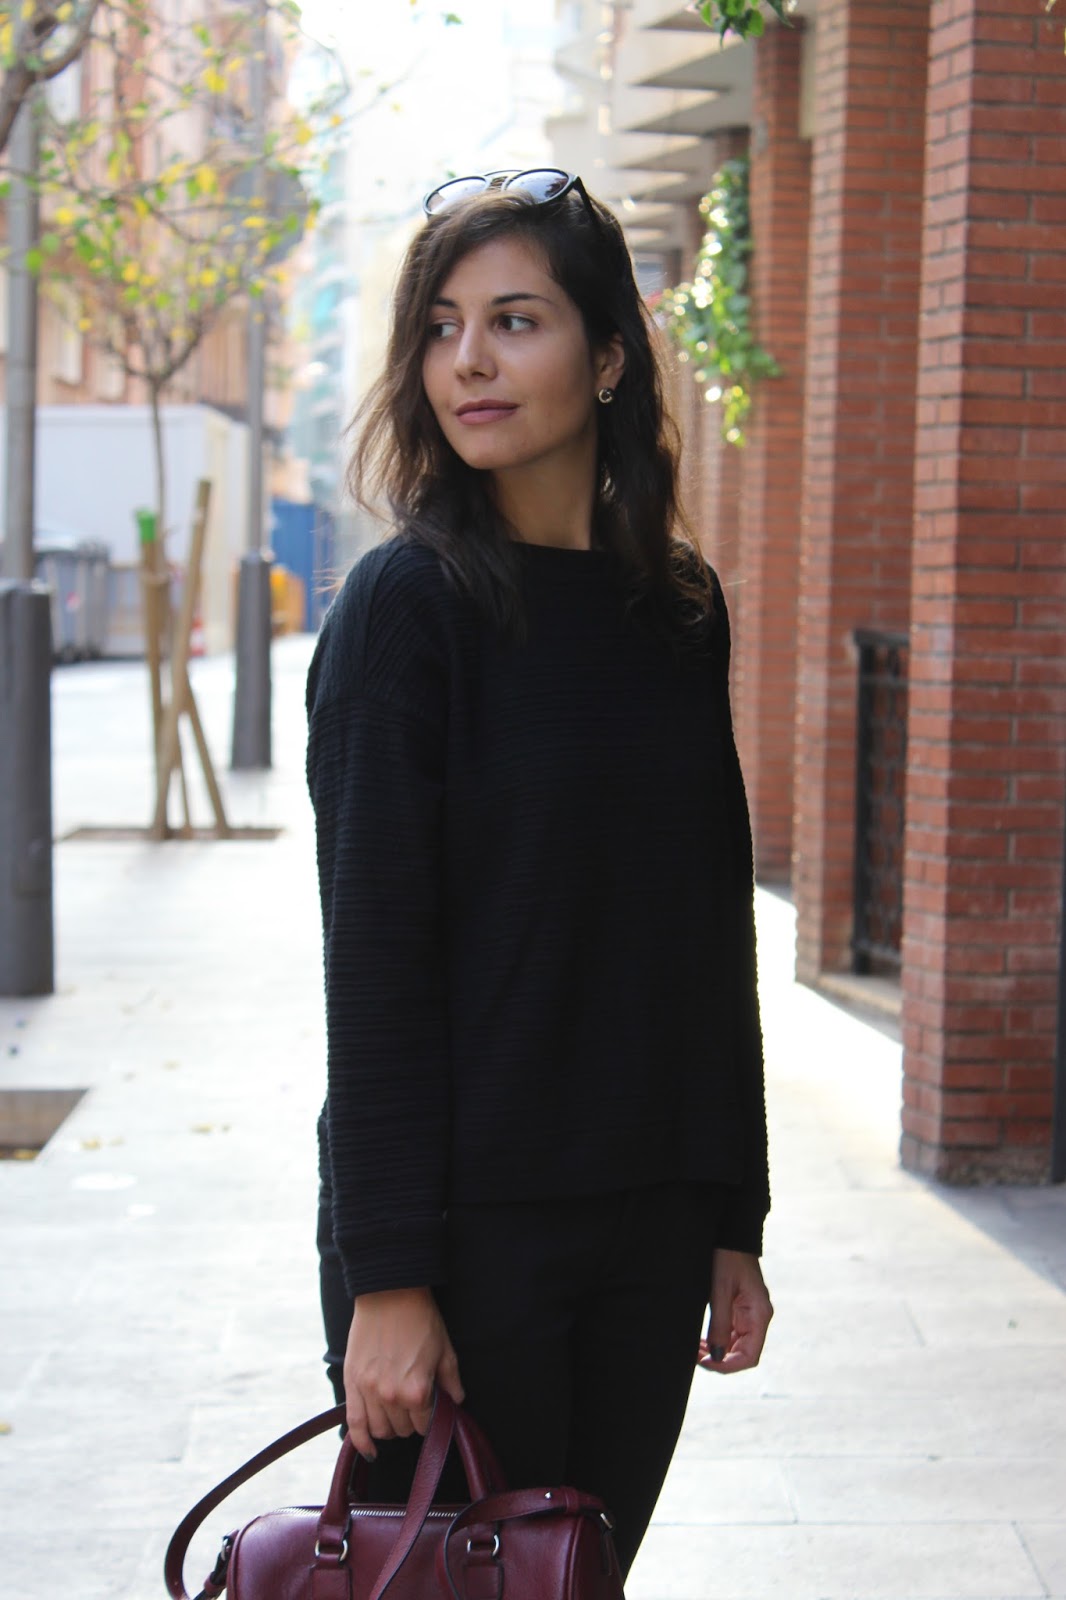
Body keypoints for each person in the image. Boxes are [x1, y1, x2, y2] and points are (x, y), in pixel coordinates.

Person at [305, 167, 773, 1582]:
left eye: (515, 320)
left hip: (649, 1222)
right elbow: (375, 963)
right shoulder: (408, 609)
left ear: (609, 354)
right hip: (468, 1240)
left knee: (583, 1579)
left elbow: (707, 924)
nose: (469, 361)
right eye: (442, 328)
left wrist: (731, 1215)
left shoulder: (676, 611)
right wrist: (390, 1279)